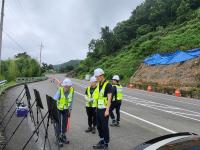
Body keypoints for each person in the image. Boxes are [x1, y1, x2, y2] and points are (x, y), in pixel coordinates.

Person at [93, 68, 112, 150]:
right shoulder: (98, 85)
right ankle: (101, 140)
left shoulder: (108, 85)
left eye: (97, 77)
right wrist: (96, 108)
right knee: (99, 126)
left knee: (104, 127)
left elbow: (109, 98)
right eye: (96, 77)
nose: (96, 78)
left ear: (102, 75)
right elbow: (98, 97)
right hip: (99, 109)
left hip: (104, 109)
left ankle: (106, 143)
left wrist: (107, 110)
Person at [53, 78, 74, 147]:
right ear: (63, 86)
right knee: (58, 123)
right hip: (58, 109)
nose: (66, 88)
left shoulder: (71, 91)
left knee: (65, 123)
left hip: (66, 110)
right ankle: (57, 138)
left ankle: (63, 136)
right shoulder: (60, 90)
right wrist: (52, 111)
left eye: (68, 87)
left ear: (70, 86)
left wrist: (70, 110)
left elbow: (71, 101)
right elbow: (54, 100)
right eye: (65, 87)